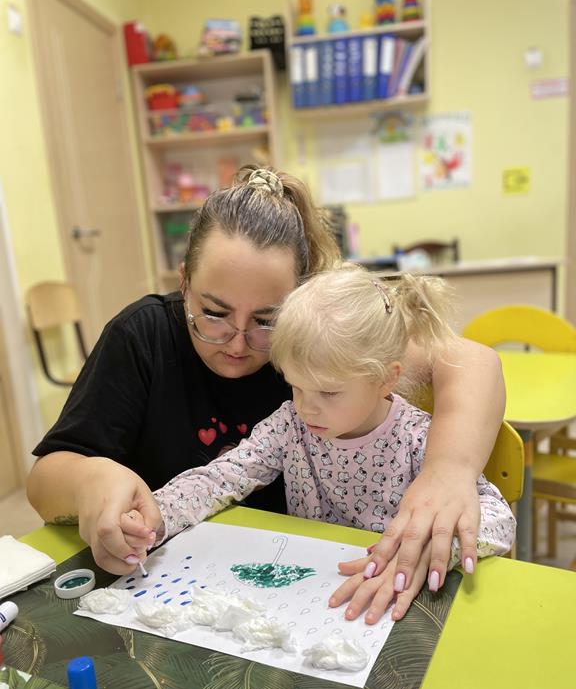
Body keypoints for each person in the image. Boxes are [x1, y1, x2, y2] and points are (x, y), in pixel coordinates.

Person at [26, 166, 506, 618]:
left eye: (265, 320)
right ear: (185, 282)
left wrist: (447, 473)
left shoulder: (323, 344)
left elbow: (472, 362)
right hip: (231, 587)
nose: (237, 343)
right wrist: (104, 490)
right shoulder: (147, 338)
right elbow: (214, 478)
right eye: (214, 313)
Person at [142, 265, 515, 623]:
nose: (307, 407)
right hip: (312, 599)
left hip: (398, 604)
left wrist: (429, 547)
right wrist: (152, 518)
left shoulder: (418, 438)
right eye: (296, 386)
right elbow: (221, 478)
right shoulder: (290, 425)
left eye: (329, 392)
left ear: (385, 379)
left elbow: (499, 521)